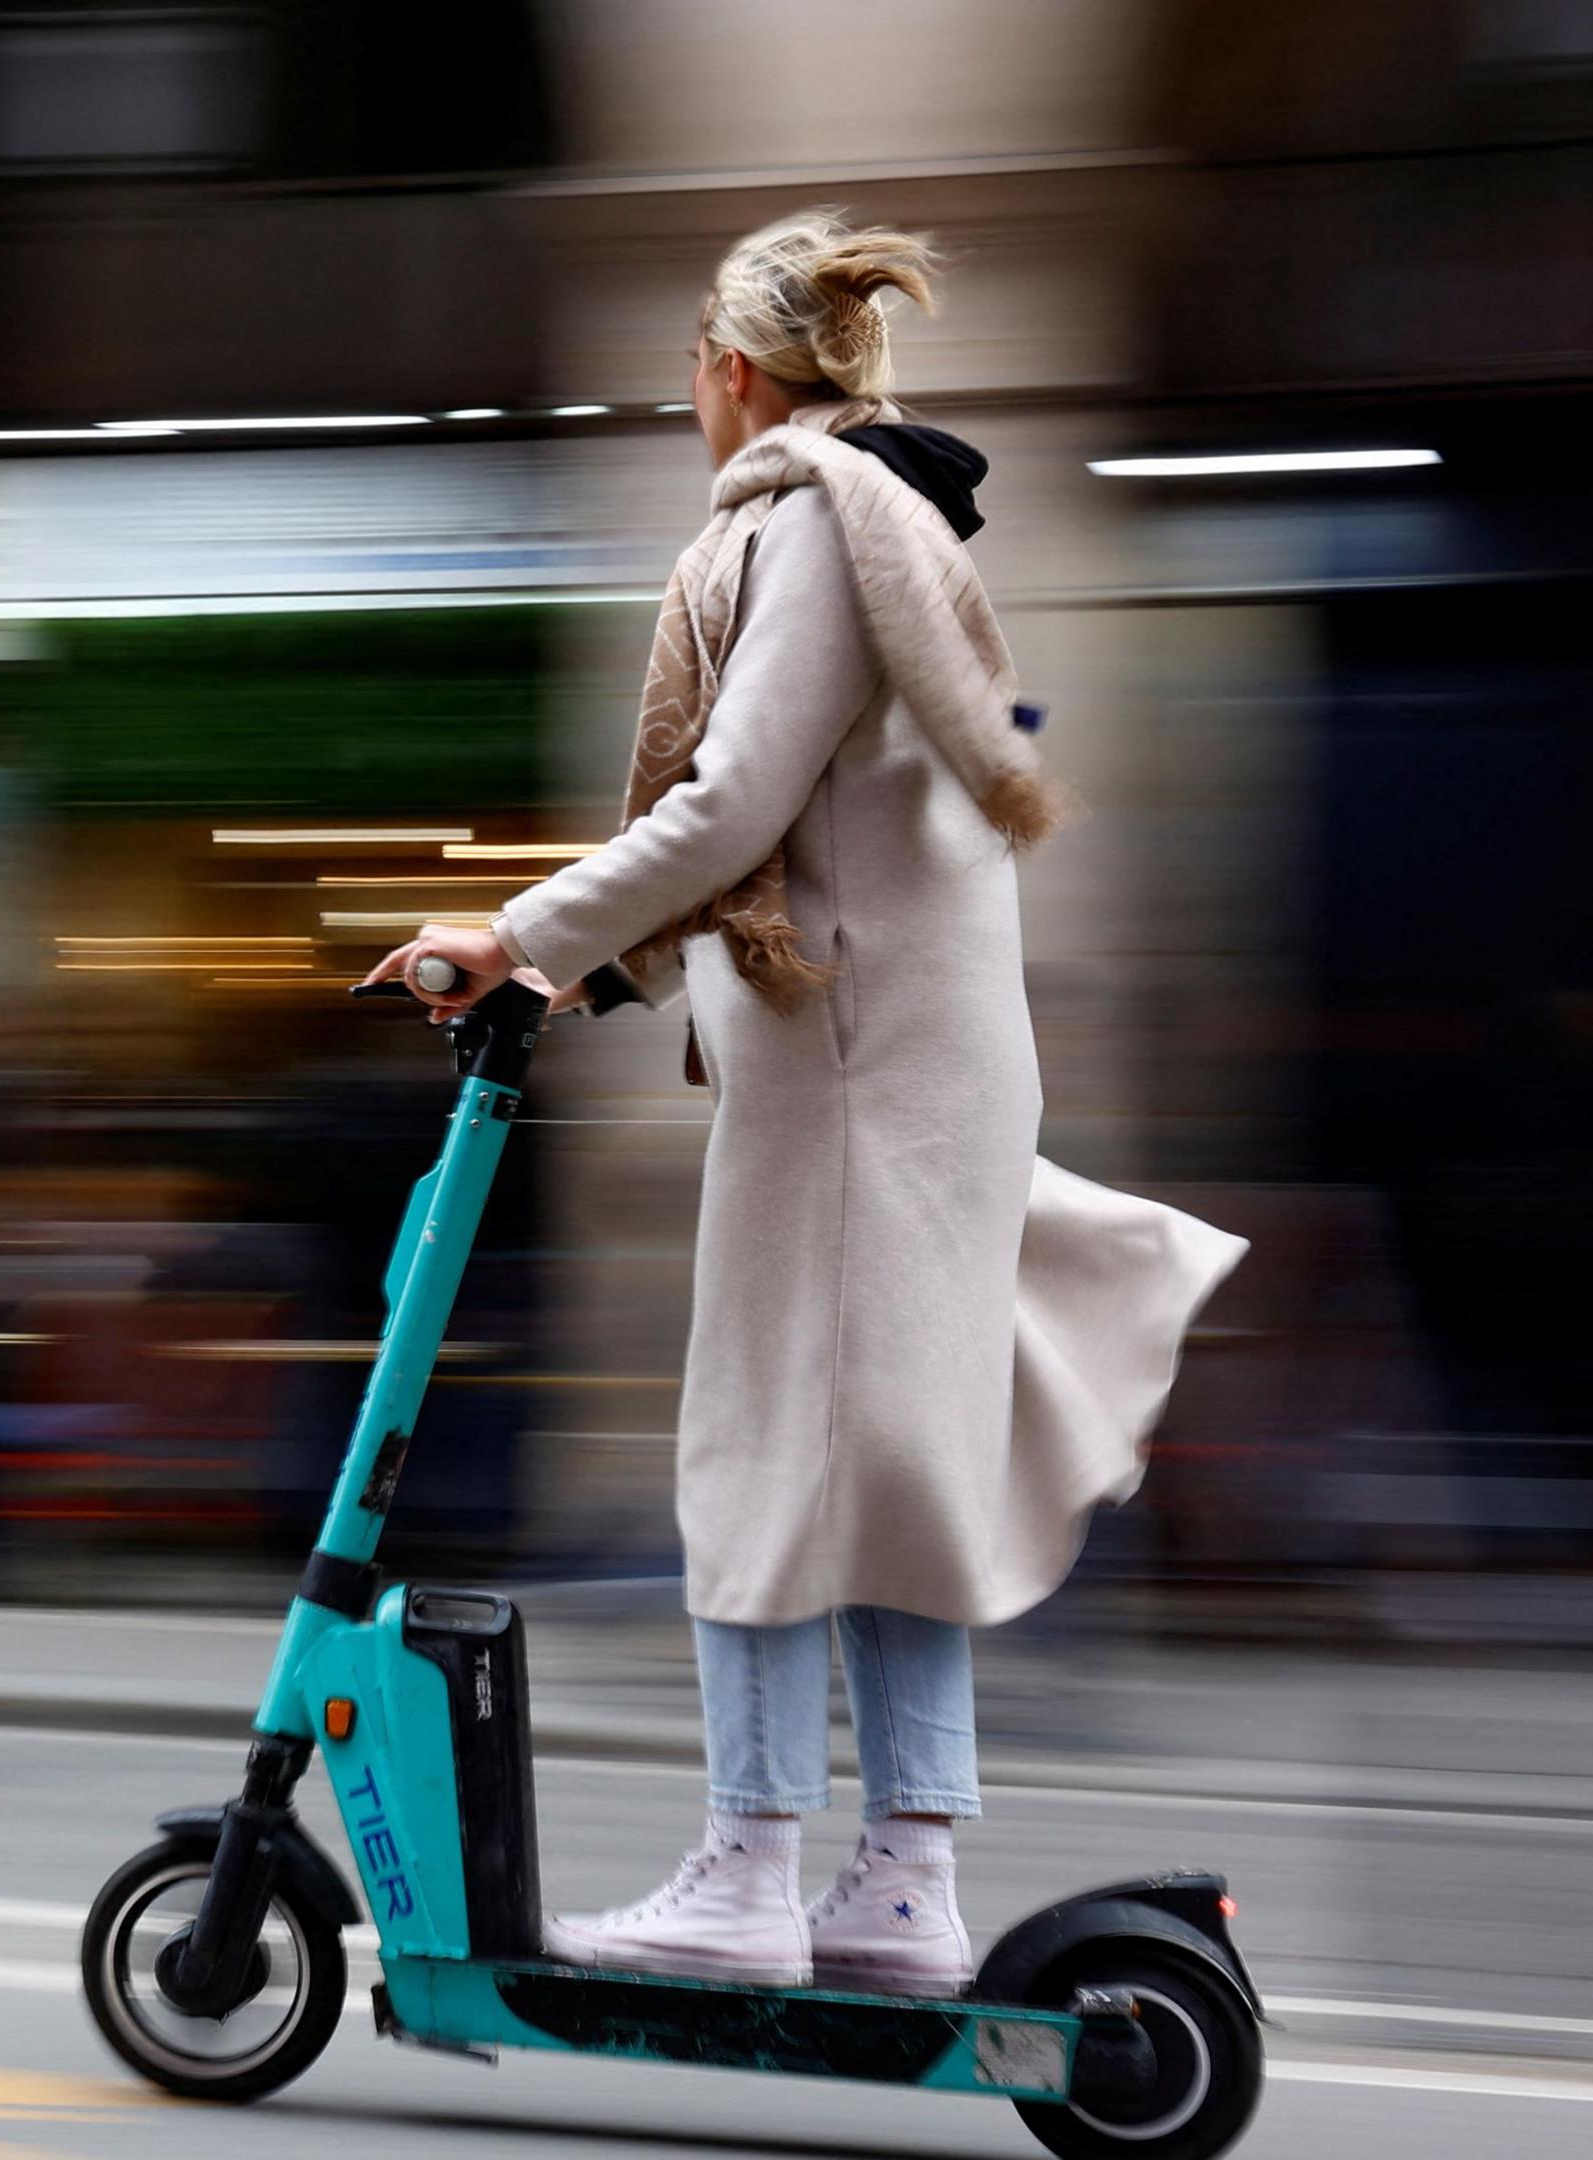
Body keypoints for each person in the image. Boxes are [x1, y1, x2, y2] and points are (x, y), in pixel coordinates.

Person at [364, 209, 1245, 1993]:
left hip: (854, 1080)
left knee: (758, 1458)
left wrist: (511, 929)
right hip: (895, 1063)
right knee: (888, 1474)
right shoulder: (886, 521)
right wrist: (582, 972)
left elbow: (732, 808)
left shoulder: (810, 528)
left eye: (690, 368)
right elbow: (798, 834)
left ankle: (752, 1866)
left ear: (727, 368)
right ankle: (901, 1884)